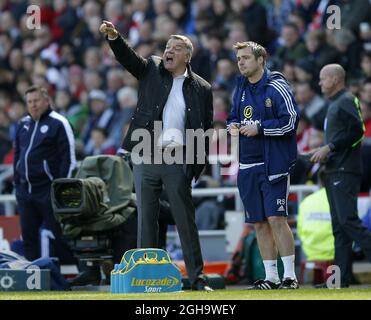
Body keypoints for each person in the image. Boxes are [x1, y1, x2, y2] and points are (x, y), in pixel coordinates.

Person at [99, 20, 214, 291]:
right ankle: (146, 278)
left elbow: (205, 128)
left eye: (176, 48)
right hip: (145, 154)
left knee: (185, 220)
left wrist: (195, 165)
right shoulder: (151, 68)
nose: (169, 51)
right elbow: (128, 59)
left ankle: (198, 279)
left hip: (178, 159)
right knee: (146, 220)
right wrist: (115, 37)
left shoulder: (202, 88)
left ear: (187, 56)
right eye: (167, 47)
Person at [227, 41, 300, 290]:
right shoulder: (240, 87)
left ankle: (289, 276)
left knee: (276, 218)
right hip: (247, 165)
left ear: (261, 60)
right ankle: (271, 277)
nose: (241, 62)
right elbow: (233, 116)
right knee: (258, 223)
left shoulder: (277, 86)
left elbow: (290, 122)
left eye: (246, 57)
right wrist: (232, 125)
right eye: (238, 59)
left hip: (273, 164)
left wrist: (260, 128)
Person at [310, 64, 371, 288]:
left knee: (348, 222)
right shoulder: (336, 103)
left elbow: (358, 131)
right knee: (340, 227)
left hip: (345, 171)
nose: (320, 83)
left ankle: (341, 278)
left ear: (335, 79)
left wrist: (330, 147)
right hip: (335, 170)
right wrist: (322, 151)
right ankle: (339, 279)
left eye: (322, 79)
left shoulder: (345, 100)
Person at [14, 85, 76, 263]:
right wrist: (18, 184)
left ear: (46, 101)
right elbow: (17, 155)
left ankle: (71, 274)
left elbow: (69, 159)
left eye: (36, 101)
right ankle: (30, 276)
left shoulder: (59, 123)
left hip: (49, 191)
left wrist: (59, 188)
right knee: (28, 237)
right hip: (26, 191)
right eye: (29, 102)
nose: (33, 105)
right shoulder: (23, 124)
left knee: (60, 235)